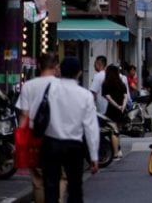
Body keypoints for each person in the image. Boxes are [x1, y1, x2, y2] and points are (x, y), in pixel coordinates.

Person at [41, 57, 99, 203]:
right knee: (75, 187)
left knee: (50, 186)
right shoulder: (85, 95)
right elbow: (91, 127)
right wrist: (93, 155)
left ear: (60, 70)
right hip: (74, 145)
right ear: (79, 73)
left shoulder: (50, 90)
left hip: (51, 143)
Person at [15, 53, 65, 203]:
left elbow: (24, 115)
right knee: (61, 175)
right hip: (58, 136)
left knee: (38, 180)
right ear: (56, 66)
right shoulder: (62, 86)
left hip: (34, 136)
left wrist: (19, 141)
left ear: (38, 66)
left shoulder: (28, 86)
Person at [101, 65, 127, 161]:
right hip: (121, 110)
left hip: (112, 109)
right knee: (117, 131)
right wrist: (122, 106)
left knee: (113, 131)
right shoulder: (121, 83)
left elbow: (108, 97)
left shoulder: (106, 84)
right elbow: (125, 96)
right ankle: (119, 150)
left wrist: (116, 106)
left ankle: (116, 153)